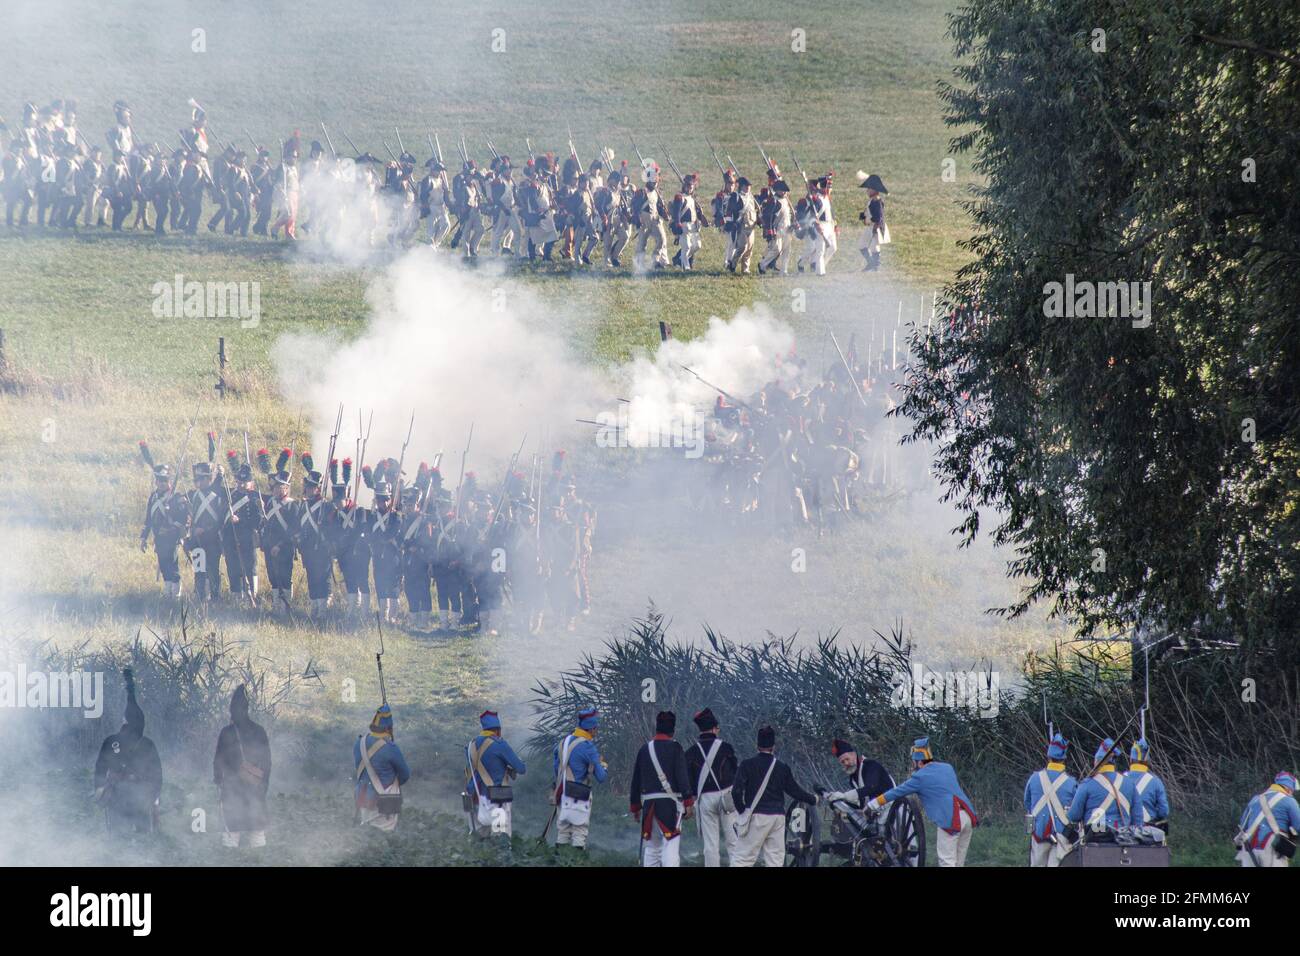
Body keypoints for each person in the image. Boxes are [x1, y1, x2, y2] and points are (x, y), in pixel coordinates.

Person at [869, 737, 979, 867]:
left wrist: (873, 803)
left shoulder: (919, 777)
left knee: (947, 862)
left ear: (919, 762)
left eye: (914, 762)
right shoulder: (947, 768)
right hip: (967, 816)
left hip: (950, 819)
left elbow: (896, 792)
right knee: (959, 863)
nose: (913, 765)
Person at [730, 726, 818, 867]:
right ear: (773, 747)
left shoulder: (747, 765)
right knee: (775, 862)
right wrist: (813, 799)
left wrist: (743, 811)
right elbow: (795, 791)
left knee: (742, 859)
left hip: (756, 816)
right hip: (777, 817)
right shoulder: (782, 767)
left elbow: (736, 792)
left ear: (757, 745)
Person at [93, 669, 162, 834]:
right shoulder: (148, 744)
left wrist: (99, 789)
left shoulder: (111, 742)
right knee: (142, 841)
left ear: (125, 720)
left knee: (118, 841)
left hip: (118, 797)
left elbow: (100, 768)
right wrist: (154, 797)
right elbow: (156, 774)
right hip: (141, 797)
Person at [629, 711, 695, 867]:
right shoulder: (675, 748)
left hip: (649, 806)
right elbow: (682, 777)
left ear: (657, 727)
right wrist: (688, 802)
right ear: (672, 729)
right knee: (670, 846)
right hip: (670, 807)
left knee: (652, 849)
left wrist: (635, 807)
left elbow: (636, 781)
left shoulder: (644, 749)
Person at [213, 685, 272, 848]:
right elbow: (267, 762)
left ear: (232, 709)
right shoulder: (259, 731)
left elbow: (218, 760)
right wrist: (263, 784)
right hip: (255, 786)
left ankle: (232, 859)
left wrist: (218, 781)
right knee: (257, 832)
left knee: (231, 832)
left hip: (232, 789)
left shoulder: (227, 732)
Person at [684, 707, 738, 867]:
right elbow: (735, 772)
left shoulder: (691, 752)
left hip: (705, 799)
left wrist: (692, 799)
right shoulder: (726, 748)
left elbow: (689, 781)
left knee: (710, 845)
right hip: (727, 797)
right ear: (714, 728)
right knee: (734, 842)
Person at [551, 706, 608, 853]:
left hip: (561, 792)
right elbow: (601, 777)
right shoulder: (588, 747)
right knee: (579, 833)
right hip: (578, 795)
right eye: (596, 728)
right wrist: (603, 765)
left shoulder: (562, 742)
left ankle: (559, 861)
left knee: (562, 831)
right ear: (591, 729)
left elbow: (556, 769)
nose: (596, 731)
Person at [464, 710, 526, 838]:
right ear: (498, 730)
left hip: (473, 797)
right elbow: (521, 768)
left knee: (478, 839)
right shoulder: (499, 744)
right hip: (496, 798)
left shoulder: (471, 745)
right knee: (500, 839)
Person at [1065, 738, 1139, 840]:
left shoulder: (1087, 784)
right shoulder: (1129, 784)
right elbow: (1137, 819)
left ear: (1098, 761)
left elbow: (1073, 816)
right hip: (1123, 840)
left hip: (1095, 842)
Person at [138, 455, 189, 600]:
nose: (161, 483)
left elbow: (183, 519)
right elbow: (149, 519)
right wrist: (144, 537)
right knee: (163, 563)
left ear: (170, 481)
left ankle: (176, 593)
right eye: (159, 480)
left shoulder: (176, 497)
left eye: (165, 480)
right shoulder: (153, 497)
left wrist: (171, 528)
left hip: (171, 537)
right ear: (156, 481)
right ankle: (167, 591)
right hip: (158, 537)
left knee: (172, 564)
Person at [1023, 732, 1077, 867]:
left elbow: (1027, 803)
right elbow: (1076, 812)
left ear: (1048, 756)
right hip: (1061, 836)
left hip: (1038, 833)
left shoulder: (1034, 778)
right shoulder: (1071, 783)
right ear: (1064, 758)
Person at [353, 704, 410, 831]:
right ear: (389, 728)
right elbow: (405, 775)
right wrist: (392, 785)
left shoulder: (359, 743)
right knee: (384, 836)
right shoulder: (390, 747)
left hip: (363, 797)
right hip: (385, 801)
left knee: (367, 833)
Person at [1235, 771, 1299, 867]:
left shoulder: (1255, 799)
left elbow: (1243, 824)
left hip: (1249, 848)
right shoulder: (1289, 800)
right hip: (1272, 848)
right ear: (1289, 787)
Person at [819, 738, 895, 810]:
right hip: (878, 814)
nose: (846, 763)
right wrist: (840, 799)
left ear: (854, 755)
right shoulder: (852, 779)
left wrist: (845, 796)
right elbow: (861, 804)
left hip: (894, 810)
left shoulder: (871, 765)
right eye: (842, 762)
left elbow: (871, 788)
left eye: (847, 759)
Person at [1125, 738, 1169, 841]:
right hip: (1148, 832)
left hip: (1124, 832)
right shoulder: (1156, 782)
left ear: (1131, 760)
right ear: (1147, 761)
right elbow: (1164, 812)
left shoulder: (1120, 779)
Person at [857, 172, 889, 271]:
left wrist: (870, 222)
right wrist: (864, 216)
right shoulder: (872, 200)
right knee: (863, 245)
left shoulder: (877, 201)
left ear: (873, 190)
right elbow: (870, 213)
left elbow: (878, 217)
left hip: (875, 227)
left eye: (869, 189)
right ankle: (873, 264)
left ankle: (874, 265)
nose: (867, 191)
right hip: (871, 226)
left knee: (873, 247)